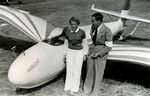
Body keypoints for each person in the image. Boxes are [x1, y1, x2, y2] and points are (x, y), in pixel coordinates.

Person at [83, 12, 113, 96]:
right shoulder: (93, 27)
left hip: (101, 54)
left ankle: (95, 92)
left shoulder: (107, 30)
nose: (92, 23)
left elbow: (109, 47)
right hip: (92, 52)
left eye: (93, 21)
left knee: (98, 74)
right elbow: (92, 40)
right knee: (89, 72)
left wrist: (99, 53)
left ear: (99, 21)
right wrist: (89, 52)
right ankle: (87, 90)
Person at [58, 17, 88, 95]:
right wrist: (65, 54)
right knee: (69, 69)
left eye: (75, 24)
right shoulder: (67, 32)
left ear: (78, 24)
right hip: (70, 52)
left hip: (79, 52)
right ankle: (68, 87)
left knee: (77, 70)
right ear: (70, 24)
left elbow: (85, 44)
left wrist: (85, 54)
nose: (73, 26)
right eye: (71, 24)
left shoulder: (82, 32)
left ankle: (74, 88)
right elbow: (66, 44)